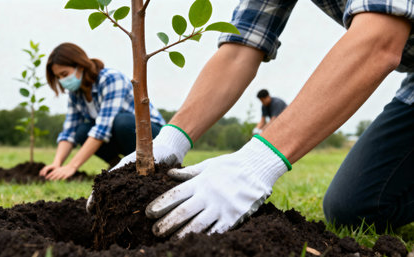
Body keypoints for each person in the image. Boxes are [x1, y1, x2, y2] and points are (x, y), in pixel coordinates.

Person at [87, 1, 414, 238]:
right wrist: (171, 138)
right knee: (356, 208)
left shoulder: (276, 102)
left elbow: (379, 38)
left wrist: (257, 162)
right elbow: (241, 47)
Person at [39, 43, 165, 180]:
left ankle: (146, 165)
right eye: (58, 77)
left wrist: (72, 166)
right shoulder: (75, 94)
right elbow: (69, 131)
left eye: (64, 74)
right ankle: (119, 167)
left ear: (80, 66)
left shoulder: (111, 79)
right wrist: (57, 164)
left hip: (151, 135)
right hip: (120, 136)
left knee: (121, 122)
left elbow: (102, 129)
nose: (62, 81)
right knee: (82, 131)